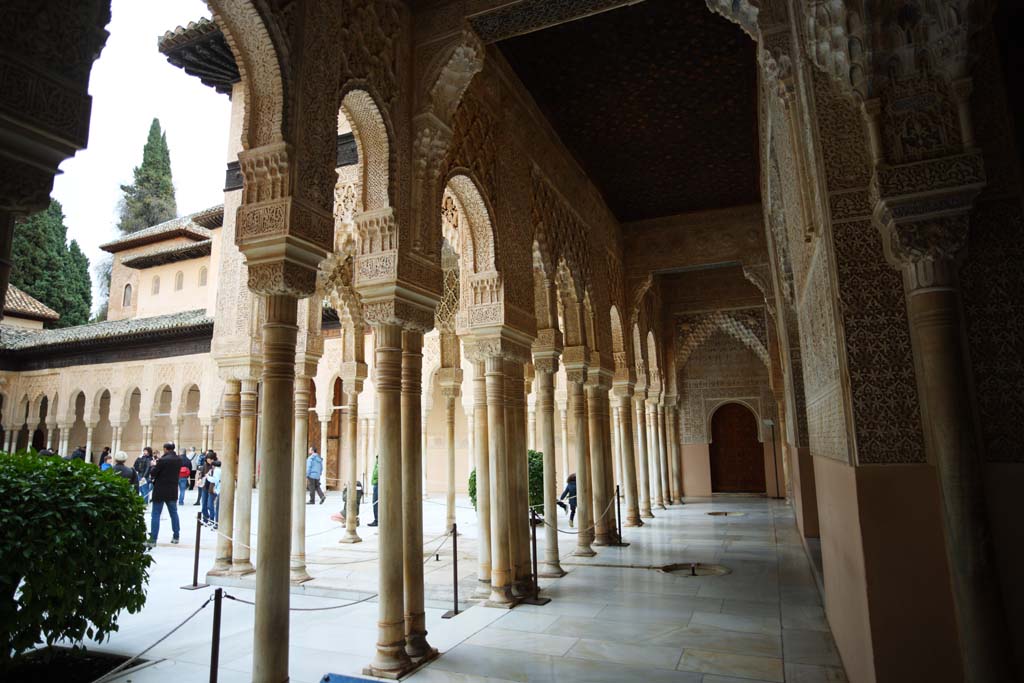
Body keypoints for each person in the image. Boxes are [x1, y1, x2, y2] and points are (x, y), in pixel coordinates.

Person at [148, 443, 183, 547]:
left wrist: (153, 466)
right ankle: (176, 536)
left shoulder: (163, 460)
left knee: (155, 514)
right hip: (172, 489)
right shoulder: (178, 460)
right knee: (174, 513)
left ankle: (153, 539)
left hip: (160, 489)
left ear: (165, 449)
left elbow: (154, 473)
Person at [203, 458, 221, 526]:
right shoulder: (220, 470)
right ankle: (215, 522)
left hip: (216, 490)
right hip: (218, 489)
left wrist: (208, 477)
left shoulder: (216, 471)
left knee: (212, 506)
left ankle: (215, 522)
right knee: (215, 506)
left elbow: (215, 480)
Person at [368, 455, 379, 527]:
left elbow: (376, 474)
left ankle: (377, 520)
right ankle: (377, 519)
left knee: (376, 503)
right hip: (376, 484)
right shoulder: (377, 463)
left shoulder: (380, 464)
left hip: (378, 484)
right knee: (375, 503)